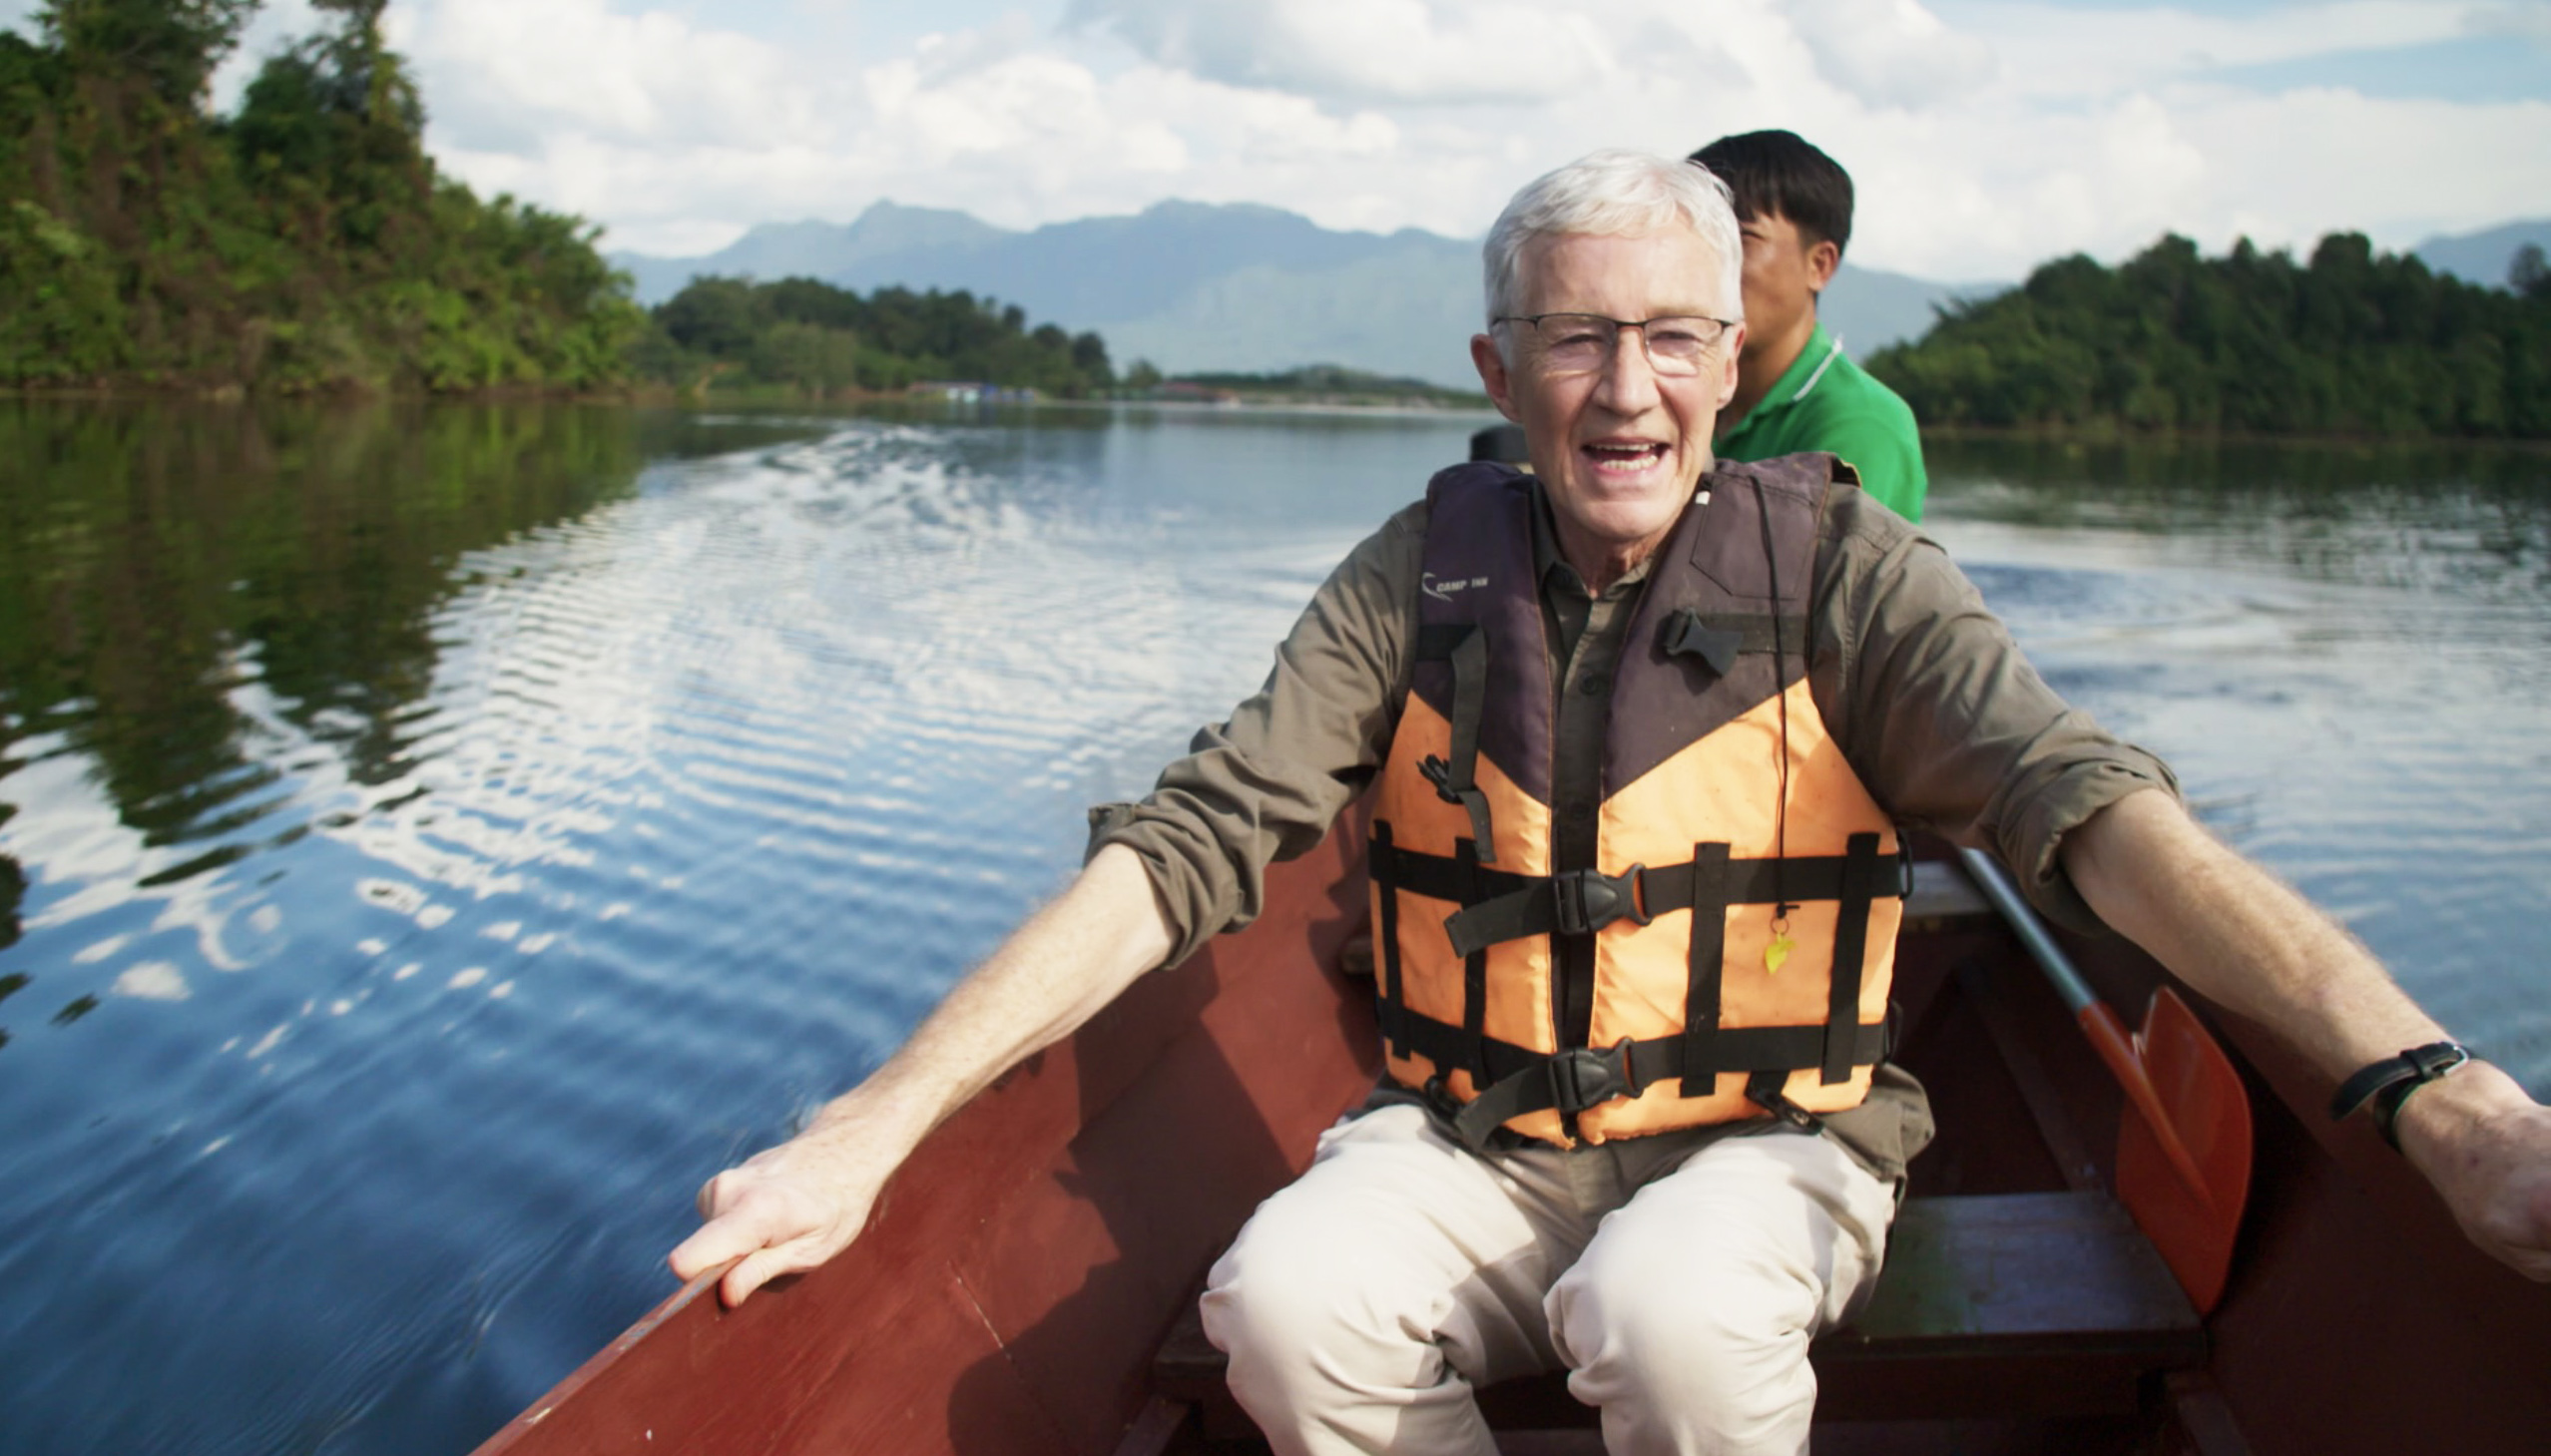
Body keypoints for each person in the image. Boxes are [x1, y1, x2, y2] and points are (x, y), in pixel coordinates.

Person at [670, 152, 2551, 1455]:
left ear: (1732, 366)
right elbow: (1188, 843)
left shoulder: (1848, 568)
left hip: (1776, 1139)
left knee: (1664, 1306)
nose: (1625, 386)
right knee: (1282, 1303)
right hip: (1481, 1130)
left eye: (1672, 336)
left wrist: (2430, 1089)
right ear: (1501, 371)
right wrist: (874, 1118)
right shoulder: (1421, 567)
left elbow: (2099, 814)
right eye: (1576, 337)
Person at [1692, 130, 1928, 521]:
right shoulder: (1687, 398)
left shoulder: (1862, 423)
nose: (1708, 264)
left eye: (1740, 240)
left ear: (1819, 265)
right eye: (1700, 238)